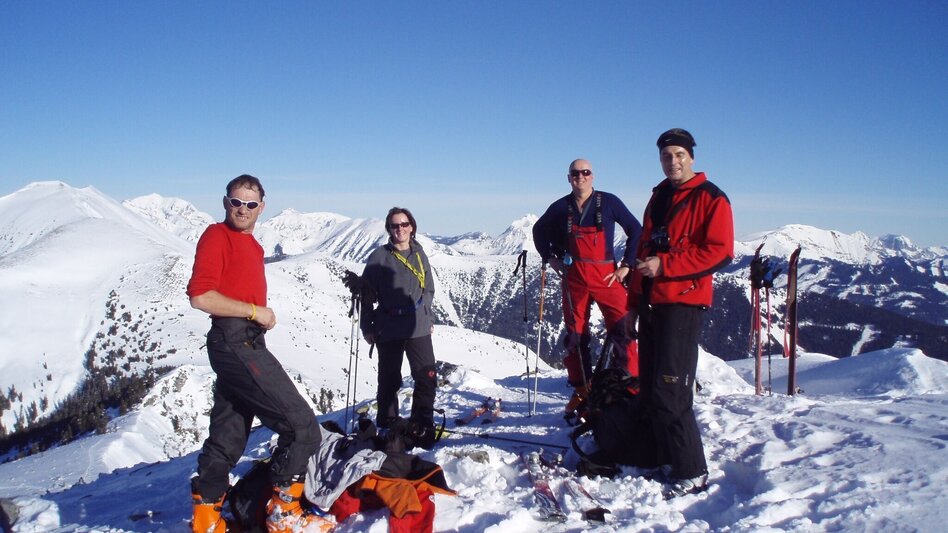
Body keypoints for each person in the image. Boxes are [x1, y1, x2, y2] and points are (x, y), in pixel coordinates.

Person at [186, 175, 330, 532]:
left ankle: (206, 519)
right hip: (235, 341)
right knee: (301, 426)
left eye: (250, 204)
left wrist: (257, 318)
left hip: (243, 341)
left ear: (261, 208)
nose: (243, 209)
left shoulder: (252, 246)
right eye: (236, 202)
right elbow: (200, 296)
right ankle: (284, 513)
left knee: (229, 433)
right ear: (225, 202)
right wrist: (254, 312)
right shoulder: (216, 235)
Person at [629, 129, 734, 498]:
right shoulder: (659, 196)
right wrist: (633, 300)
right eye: (666, 155)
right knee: (650, 386)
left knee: (671, 390)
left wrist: (667, 265)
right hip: (652, 301)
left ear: (691, 157)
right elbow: (644, 248)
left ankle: (692, 471)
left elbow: (720, 252)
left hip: (683, 303)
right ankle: (663, 458)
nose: (672, 161)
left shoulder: (711, 198)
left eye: (678, 155)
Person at [532, 159, 642, 420]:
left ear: (593, 176)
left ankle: (630, 385)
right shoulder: (561, 207)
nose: (580, 177)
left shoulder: (609, 202)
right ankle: (582, 389)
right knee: (575, 335)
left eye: (585, 172)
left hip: (607, 277)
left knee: (623, 328)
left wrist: (627, 265)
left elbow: (636, 230)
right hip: (575, 278)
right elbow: (539, 231)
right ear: (568, 177)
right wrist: (551, 258)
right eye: (575, 173)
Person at [360, 207, 439, 449]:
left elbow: (428, 288)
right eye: (395, 225)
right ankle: (388, 425)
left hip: (417, 326)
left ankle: (421, 424)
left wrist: (426, 314)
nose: (400, 229)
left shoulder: (420, 254)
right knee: (389, 380)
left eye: (404, 224)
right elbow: (366, 295)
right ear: (389, 229)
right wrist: (367, 326)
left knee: (426, 377)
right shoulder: (379, 257)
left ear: (412, 226)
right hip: (389, 326)